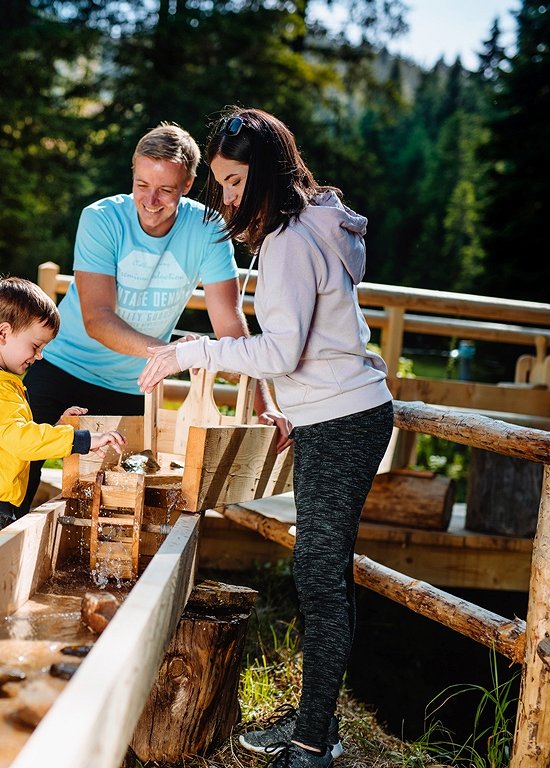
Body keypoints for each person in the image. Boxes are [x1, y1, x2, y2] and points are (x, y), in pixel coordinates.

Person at [138, 107, 394, 768]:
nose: (224, 197)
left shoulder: (286, 241)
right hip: (330, 414)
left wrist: (195, 353)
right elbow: (311, 342)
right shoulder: (306, 223)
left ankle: (312, 742)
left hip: (341, 419)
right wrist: (284, 407)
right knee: (322, 573)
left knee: (316, 574)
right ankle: (317, 723)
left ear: (266, 175)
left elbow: (281, 350)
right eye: (219, 182)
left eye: (232, 182)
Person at [19, 121, 279, 516]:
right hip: (62, 367)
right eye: (142, 185)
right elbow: (98, 319)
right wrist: (174, 354)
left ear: (189, 184)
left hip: (133, 384)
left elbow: (229, 324)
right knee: (18, 473)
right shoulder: (101, 218)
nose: (151, 200)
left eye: (165, 190)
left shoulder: (208, 229)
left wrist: (265, 404)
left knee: (124, 503)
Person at [0, 276, 126, 562]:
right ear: (3, 333)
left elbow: (5, 437)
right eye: (35, 346)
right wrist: (81, 439)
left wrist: (56, 429)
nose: (39, 356)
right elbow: (20, 441)